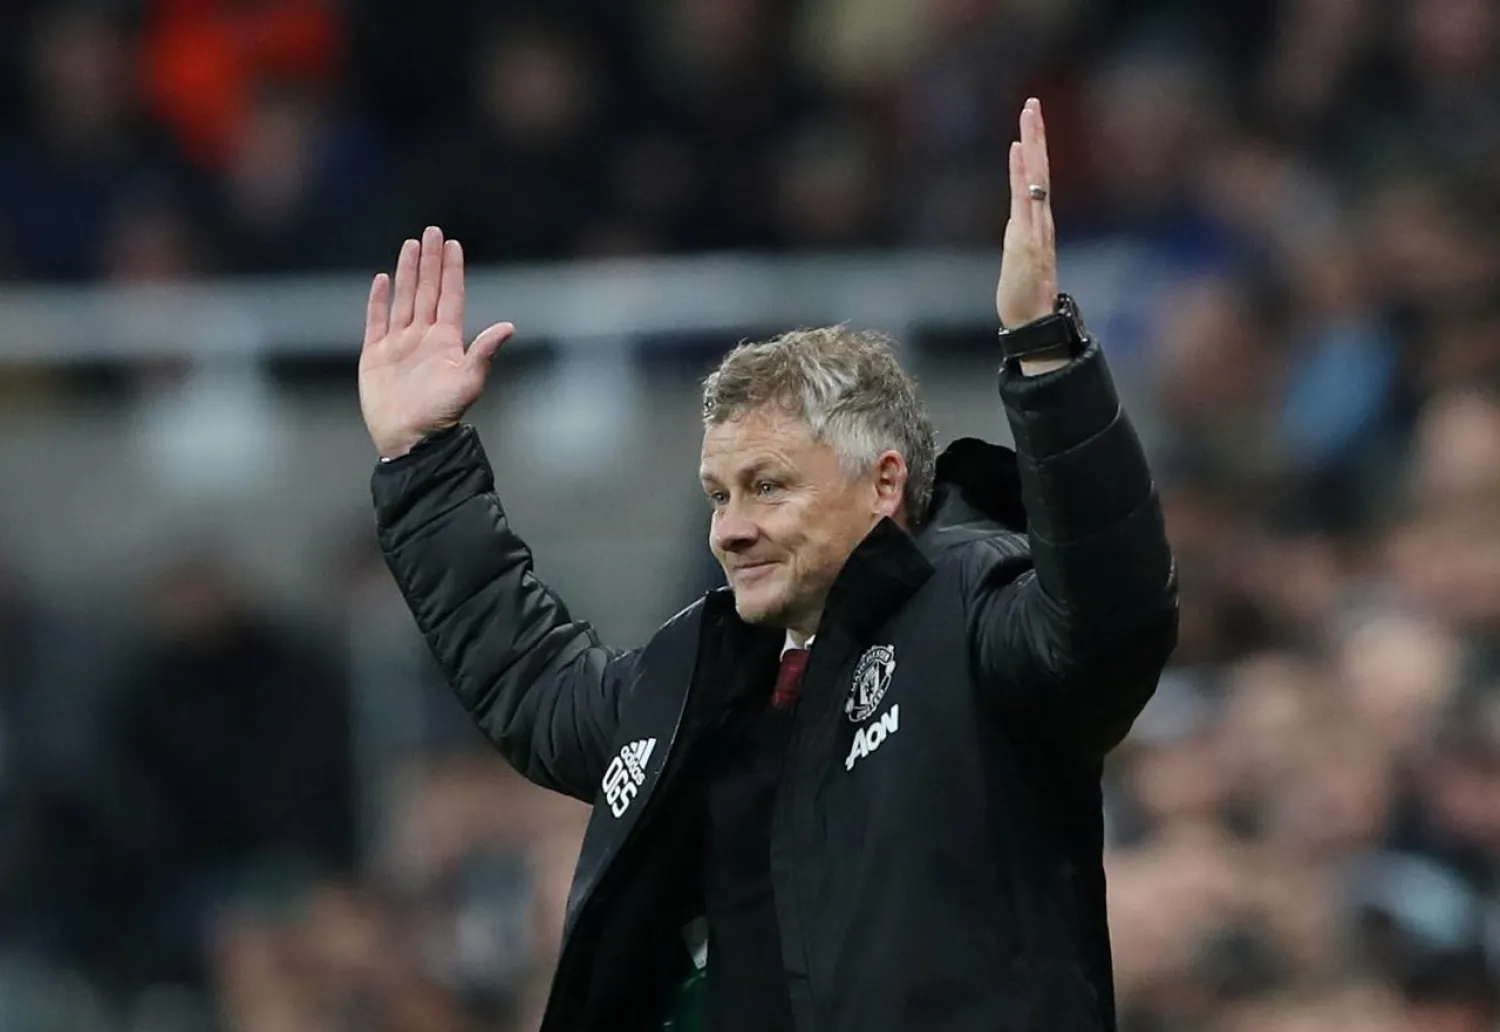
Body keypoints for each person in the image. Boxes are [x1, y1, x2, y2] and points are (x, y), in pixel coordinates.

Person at [360, 99, 1178, 1032]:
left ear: (883, 484)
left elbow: (1112, 620)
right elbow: (535, 686)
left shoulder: (974, 607)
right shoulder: (700, 676)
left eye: (767, 487)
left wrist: (1045, 356)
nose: (730, 529)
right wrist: (423, 461)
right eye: (719, 495)